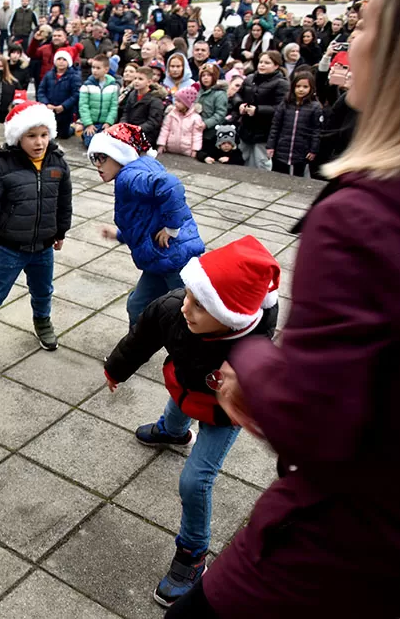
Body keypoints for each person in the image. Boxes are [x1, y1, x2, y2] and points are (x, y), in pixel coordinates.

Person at [167, 0, 400, 618]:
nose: (350, 48)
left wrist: (248, 351)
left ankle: (192, 552)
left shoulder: (364, 215)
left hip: (344, 542)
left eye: (368, 26)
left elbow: (315, 419)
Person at [106, 236, 279, 608]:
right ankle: (172, 431)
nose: (186, 306)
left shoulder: (251, 352)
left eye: (201, 305)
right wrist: (116, 367)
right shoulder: (173, 308)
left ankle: (193, 553)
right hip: (187, 381)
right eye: (189, 294)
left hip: (221, 409)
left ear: (232, 316)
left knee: (194, 480)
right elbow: (142, 336)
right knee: (180, 400)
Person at [0, 101, 71, 365]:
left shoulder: (58, 163)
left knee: (43, 291)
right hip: (9, 248)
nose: (39, 142)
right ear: (18, 137)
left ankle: (42, 322)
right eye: (31, 136)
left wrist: (61, 231)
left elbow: (64, 202)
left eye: (43, 135)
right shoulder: (3, 166)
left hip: (43, 247)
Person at [88, 123, 204, 325]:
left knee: (186, 315)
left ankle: (190, 354)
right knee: (138, 305)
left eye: (102, 157)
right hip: (160, 258)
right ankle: (135, 350)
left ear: (119, 153)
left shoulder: (128, 176)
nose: (97, 164)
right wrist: (118, 235)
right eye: (94, 158)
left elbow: (170, 185)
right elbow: (143, 221)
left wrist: (171, 228)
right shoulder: (137, 170)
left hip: (175, 259)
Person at [236, 50, 288, 170]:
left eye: (267, 63)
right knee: (243, 158)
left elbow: (280, 108)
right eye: (261, 62)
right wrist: (240, 104)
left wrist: (258, 110)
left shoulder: (281, 84)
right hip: (246, 128)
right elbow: (237, 95)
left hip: (265, 131)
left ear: (276, 66)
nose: (262, 65)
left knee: (261, 162)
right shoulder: (249, 78)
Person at [267, 71, 322, 177]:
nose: (301, 89)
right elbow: (275, 126)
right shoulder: (285, 104)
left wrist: (313, 149)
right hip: (282, 148)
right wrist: (271, 146)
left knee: (298, 176)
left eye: (305, 87)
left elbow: (316, 130)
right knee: (278, 175)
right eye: (298, 86)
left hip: (301, 150)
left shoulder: (315, 107)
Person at [37, 47, 82, 138]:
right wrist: (46, 103)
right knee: (50, 133)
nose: (61, 62)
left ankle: (72, 128)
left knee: (63, 135)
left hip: (65, 112)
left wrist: (63, 106)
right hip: (50, 110)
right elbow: (41, 91)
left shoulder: (74, 77)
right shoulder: (49, 75)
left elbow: (75, 95)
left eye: (64, 59)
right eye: (59, 59)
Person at [79, 54, 119, 147]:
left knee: (106, 145)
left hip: (104, 123)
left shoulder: (112, 86)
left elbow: (113, 106)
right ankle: (85, 134)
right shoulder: (87, 85)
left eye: (98, 68)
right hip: (91, 123)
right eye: (93, 67)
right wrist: (88, 123)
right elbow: (83, 106)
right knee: (91, 144)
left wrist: (108, 122)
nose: (94, 70)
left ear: (106, 69)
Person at [121, 67, 167, 145]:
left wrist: (136, 130)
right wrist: (123, 125)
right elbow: (126, 113)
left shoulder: (155, 100)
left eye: (140, 79)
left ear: (149, 82)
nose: (136, 81)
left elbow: (153, 122)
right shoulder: (132, 94)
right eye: (135, 78)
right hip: (130, 131)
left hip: (146, 136)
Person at [158, 82, 204, 158]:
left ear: (187, 104)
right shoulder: (171, 114)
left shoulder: (196, 118)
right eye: (175, 100)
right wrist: (161, 144)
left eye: (179, 101)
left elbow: (197, 135)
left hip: (187, 151)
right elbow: (165, 129)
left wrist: (195, 150)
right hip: (170, 149)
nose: (175, 103)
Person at [197, 64, 228, 152]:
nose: (206, 78)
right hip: (197, 130)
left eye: (209, 75)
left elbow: (220, 114)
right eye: (203, 75)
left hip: (211, 133)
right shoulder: (198, 91)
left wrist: (206, 123)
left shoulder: (220, 94)